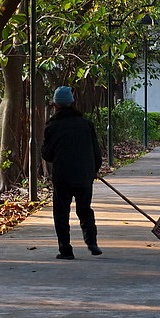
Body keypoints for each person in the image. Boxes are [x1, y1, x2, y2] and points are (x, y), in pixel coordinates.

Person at [40, 86, 103, 259]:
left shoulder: (52, 126)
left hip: (63, 177)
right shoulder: (86, 124)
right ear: (72, 103)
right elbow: (96, 152)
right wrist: (93, 170)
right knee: (85, 210)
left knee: (61, 214)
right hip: (84, 177)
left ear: (55, 105)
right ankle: (92, 242)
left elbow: (47, 155)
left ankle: (65, 250)